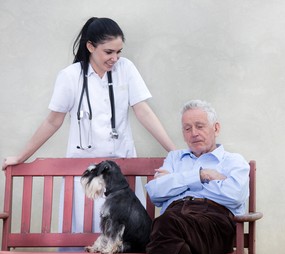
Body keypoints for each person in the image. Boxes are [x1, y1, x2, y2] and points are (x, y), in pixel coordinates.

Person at [2, 17, 176, 237]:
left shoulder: (126, 69)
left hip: (121, 172)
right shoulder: (70, 76)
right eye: (108, 52)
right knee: (84, 235)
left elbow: (144, 111)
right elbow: (52, 121)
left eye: (119, 52)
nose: (115, 58)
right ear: (90, 46)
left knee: (127, 235)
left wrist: (175, 151)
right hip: (85, 174)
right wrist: (20, 157)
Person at [145, 99, 249, 254]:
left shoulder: (233, 161)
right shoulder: (174, 158)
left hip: (213, 224)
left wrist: (176, 181)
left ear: (216, 128)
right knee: (180, 250)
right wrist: (201, 176)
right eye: (187, 128)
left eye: (200, 126)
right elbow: (155, 192)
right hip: (174, 221)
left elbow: (234, 195)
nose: (193, 133)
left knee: (166, 224)